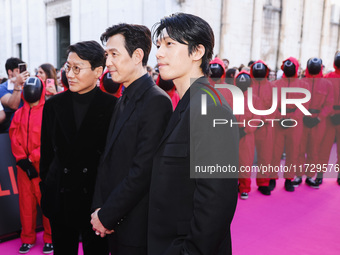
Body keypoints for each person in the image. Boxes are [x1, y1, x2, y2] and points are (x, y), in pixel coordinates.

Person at [148, 13, 239, 255]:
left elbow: (217, 200)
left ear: (197, 51)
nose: (158, 53)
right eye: (158, 45)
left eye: (169, 44)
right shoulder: (187, 102)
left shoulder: (211, 107)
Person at [90, 24, 172, 255]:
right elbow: (107, 161)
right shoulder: (122, 99)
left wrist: (107, 215)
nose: (107, 62)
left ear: (137, 56)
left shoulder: (156, 101)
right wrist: (99, 210)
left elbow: (143, 171)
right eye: (107, 55)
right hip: (113, 220)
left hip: (135, 225)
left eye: (114, 54)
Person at [39, 40, 116, 255]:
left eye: (77, 68)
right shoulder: (54, 105)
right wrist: (46, 187)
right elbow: (46, 154)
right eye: (67, 67)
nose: (69, 74)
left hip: (95, 202)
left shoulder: (112, 107)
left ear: (98, 71)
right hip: (60, 197)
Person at [9, 77, 53, 254]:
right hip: (23, 169)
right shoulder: (19, 113)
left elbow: (49, 139)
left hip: (42, 168)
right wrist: (22, 160)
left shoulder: (48, 112)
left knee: (47, 204)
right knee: (25, 205)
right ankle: (27, 238)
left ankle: (50, 238)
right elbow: (14, 136)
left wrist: (34, 157)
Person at [270, 57, 310, 192]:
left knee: (293, 151)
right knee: (275, 151)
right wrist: (279, 117)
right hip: (278, 121)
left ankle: (289, 179)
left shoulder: (303, 85)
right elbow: (271, 104)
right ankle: (272, 178)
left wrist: (293, 118)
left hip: (295, 123)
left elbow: (304, 104)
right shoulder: (275, 84)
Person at [293, 58, 333, 188]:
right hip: (302, 119)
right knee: (299, 148)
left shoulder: (327, 84)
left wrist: (318, 118)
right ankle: (298, 176)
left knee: (314, 150)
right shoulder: (301, 82)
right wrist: (302, 115)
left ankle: (310, 176)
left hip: (318, 122)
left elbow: (329, 103)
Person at [249, 60, 274, 195]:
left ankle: (263, 183)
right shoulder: (247, 85)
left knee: (265, 156)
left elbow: (274, 108)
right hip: (249, 127)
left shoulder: (272, 87)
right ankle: (242, 183)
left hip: (265, 127)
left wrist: (262, 119)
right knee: (245, 157)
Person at [317, 52, 340, 185]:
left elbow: (322, 99)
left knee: (324, 148)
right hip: (331, 116)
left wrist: (329, 113)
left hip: (329, 117)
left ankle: (320, 175)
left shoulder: (327, 77)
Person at [0, 57, 29, 133]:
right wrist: (17, 85)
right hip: (12, 130)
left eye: (22, 70)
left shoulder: (28, 85)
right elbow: (13, 105)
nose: (21, 74)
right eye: (17, 71)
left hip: (28, 128)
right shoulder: (3, 88)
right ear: (10, 72)